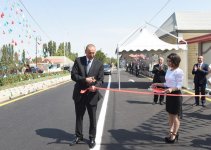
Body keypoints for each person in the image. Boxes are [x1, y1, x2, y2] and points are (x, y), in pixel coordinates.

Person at [70, 44, 104, 148]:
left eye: (93, 52)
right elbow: (73, 75)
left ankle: (92, 138)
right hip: (80, 94)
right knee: (79, 117)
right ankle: (78, 136)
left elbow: (101, 80)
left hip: (92, 95)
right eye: (90, 52)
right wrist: (85, 79)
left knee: (92, 118)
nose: (92, 55)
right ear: (85, 51)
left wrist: (96, 86)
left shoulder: (99, 64)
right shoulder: (78, 61)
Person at [152, 53, 184, 144]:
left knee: (175, 117)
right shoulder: (169, 70)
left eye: (170, 60)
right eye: (168, 60)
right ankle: (170, 132)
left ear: (175, 61)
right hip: (169, 95)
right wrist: (157, 84)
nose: (168, 62)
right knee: (170, 115)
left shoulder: (179, 71)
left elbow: (179, 86)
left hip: (175, 95)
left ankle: (174, 134)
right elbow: (167, 84)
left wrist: (171, 89)